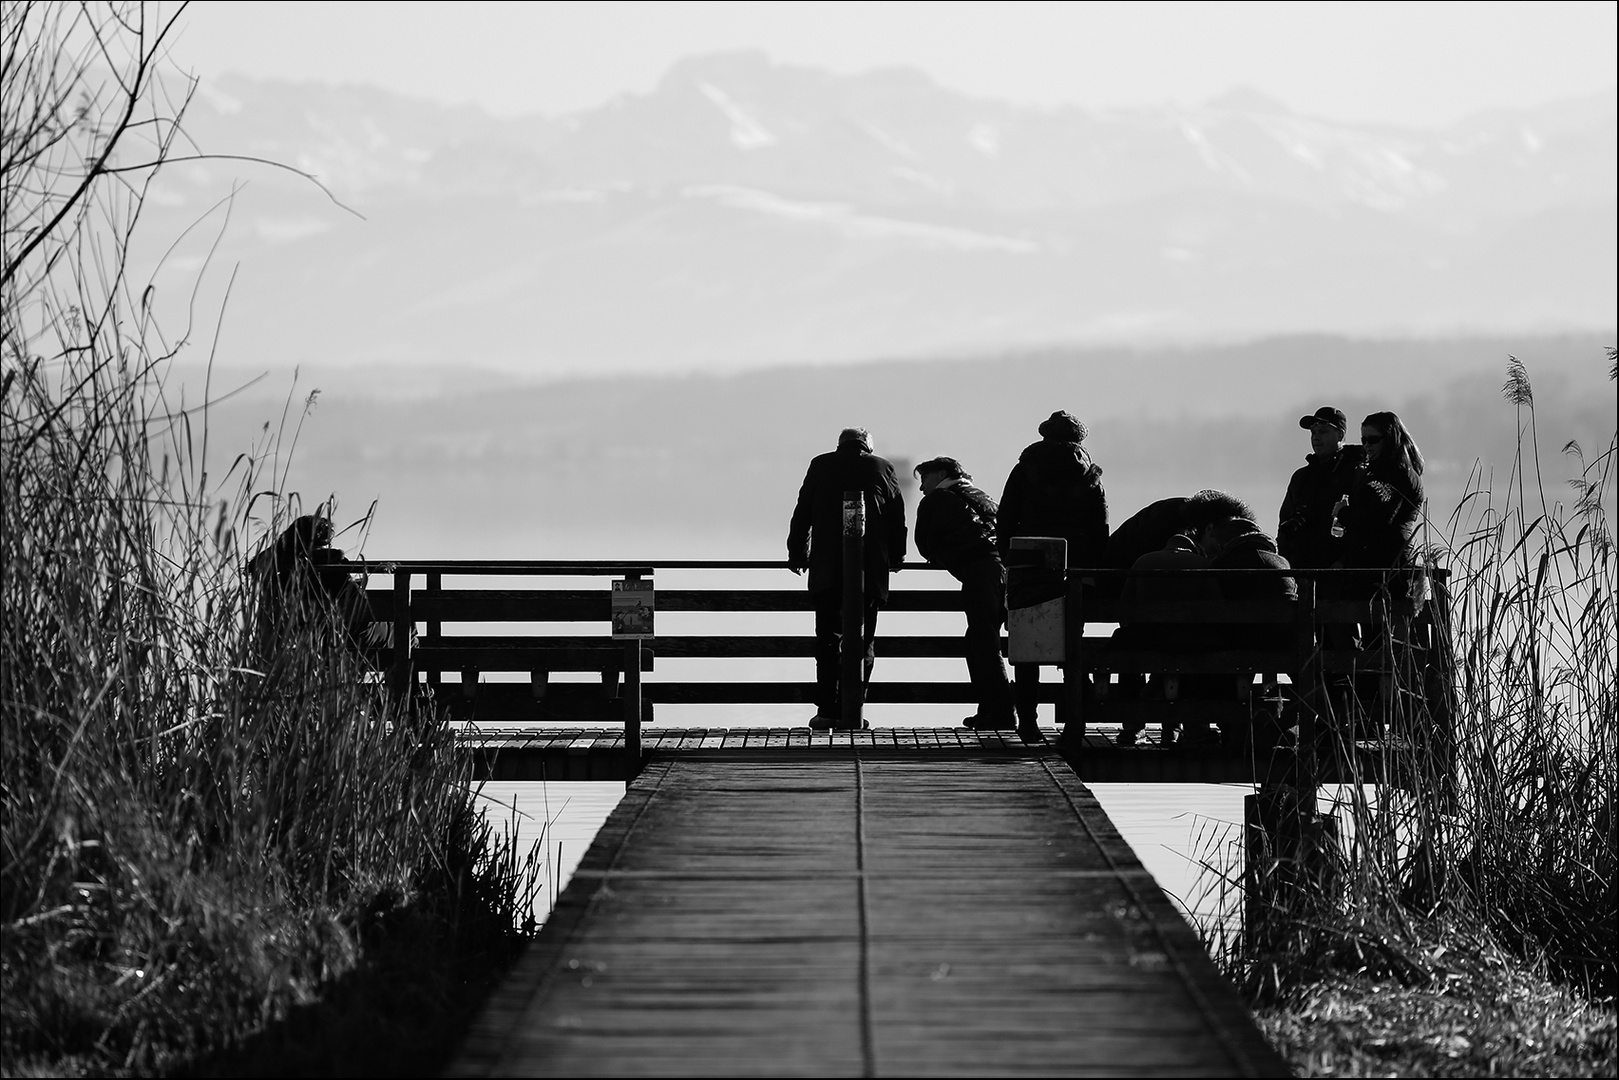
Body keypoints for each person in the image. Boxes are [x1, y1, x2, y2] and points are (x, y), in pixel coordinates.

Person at [787, 427, 908, 730]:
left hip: (827, 568)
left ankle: (828, 710)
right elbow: (896, 515)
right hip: (870, 571)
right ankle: (854, 710)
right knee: (864, 641)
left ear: (840, 445)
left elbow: (803, 512)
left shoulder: (820, 464)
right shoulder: (882, 467)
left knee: (828, 640)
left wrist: (797, 553)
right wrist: (897, 556)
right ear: (867, 446)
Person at [996, 410, 1108, 735]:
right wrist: (1094, 568)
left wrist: (1009, 555)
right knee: (1071, 643)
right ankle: (1075, 722)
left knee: (1027, 643)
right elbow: (1099, 527)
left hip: (1028, 563)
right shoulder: (1090, 476)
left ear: (1044, 434)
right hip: (1075, 568)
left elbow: (1006, 517)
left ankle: (1028, 723)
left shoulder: (1024, 469)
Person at [912, 456, 1023, 739]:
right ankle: (989, 708)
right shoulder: (982, 497)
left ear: (939, 474)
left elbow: (924, 543)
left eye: (924, 479)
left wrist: (942, 556)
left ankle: (1002, 711)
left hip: (979, 573)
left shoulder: (937, 500)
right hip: (1006, 571)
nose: (922, 488)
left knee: (983, 642)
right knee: (977, 640)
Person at [1278, 406, 1363, 571]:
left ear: (1340, 435)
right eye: (1313, 433)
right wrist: (1284, 563)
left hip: (1339, 571)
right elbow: (1284, 523)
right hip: (1300, 566)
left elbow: (1363, 526)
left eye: (1323, 432)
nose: (1316, 437)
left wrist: (1344, 561)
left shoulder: (1356, 473)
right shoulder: (1301, 477)